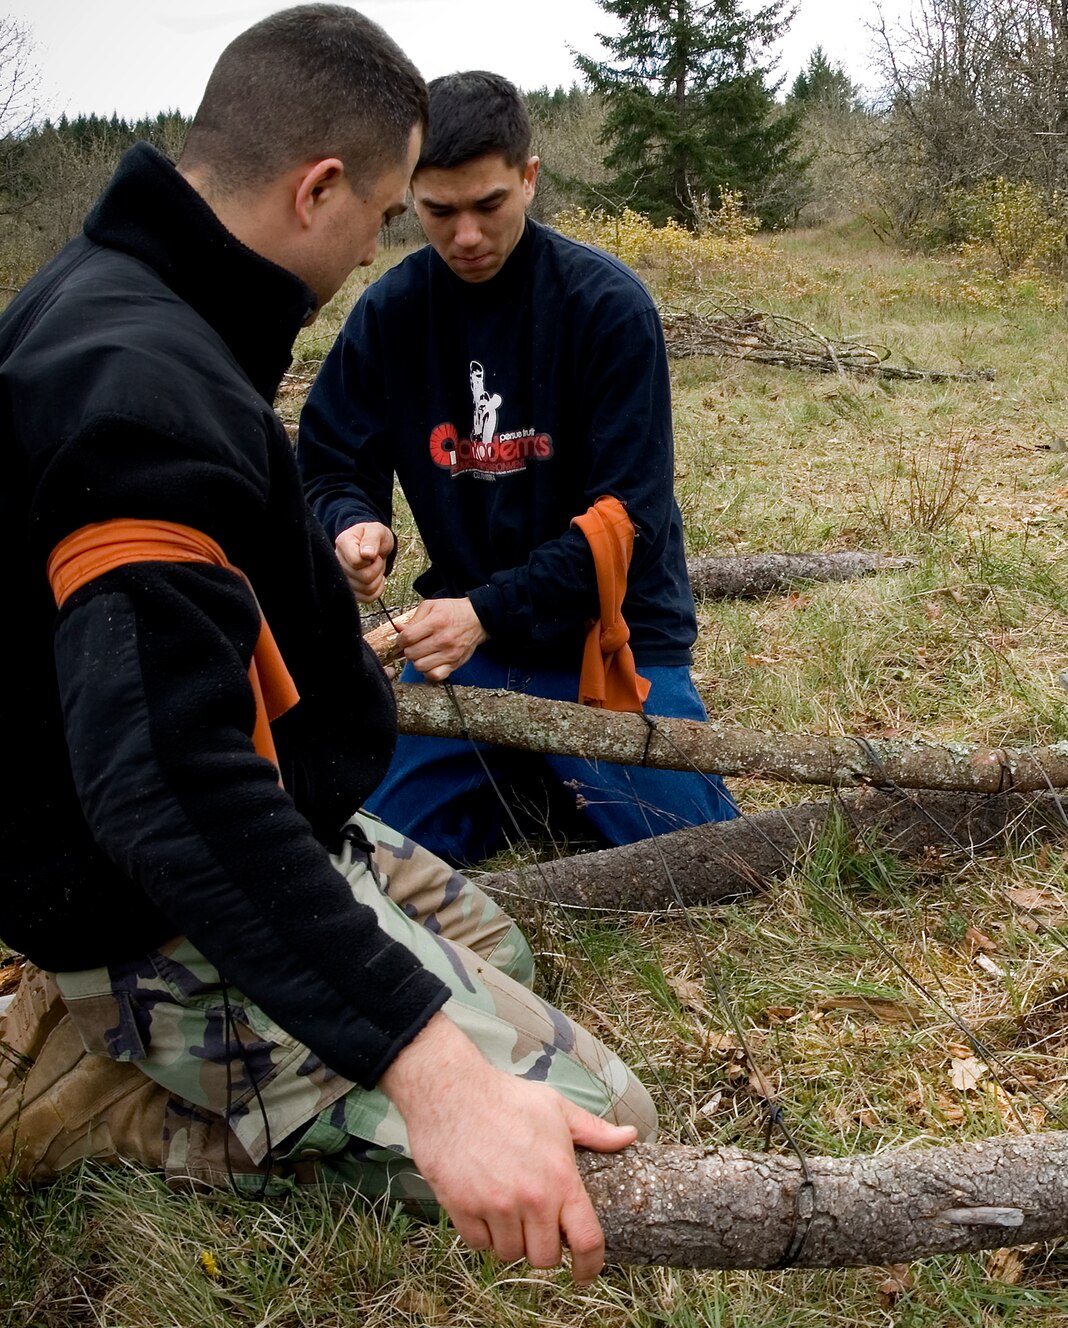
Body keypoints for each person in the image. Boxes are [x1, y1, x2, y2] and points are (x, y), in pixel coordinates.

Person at [0, 7, 651, 1285]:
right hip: (151, 905)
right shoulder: (139, 395)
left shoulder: (142, 301)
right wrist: (430, 1072)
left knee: (504, 948)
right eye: (393, 211)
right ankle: (103, 1087)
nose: (389, 246)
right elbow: (169, 784)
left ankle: (183, 1029)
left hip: (291, 821)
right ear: (320, 188)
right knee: (601, 1121)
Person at [299, 71, 737, 867]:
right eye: (439, 212)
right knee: (371, 846)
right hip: (469, 649)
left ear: (529, 178)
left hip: (609, 635)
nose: (466, 235)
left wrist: (487, 610)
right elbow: (329, 460)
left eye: (489, 205)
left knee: (700, 855)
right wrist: (351, 523)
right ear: (409, 197)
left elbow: (626, 520)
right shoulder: (391, 315)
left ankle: (548, 770)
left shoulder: (605, 307)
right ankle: (528, 777)